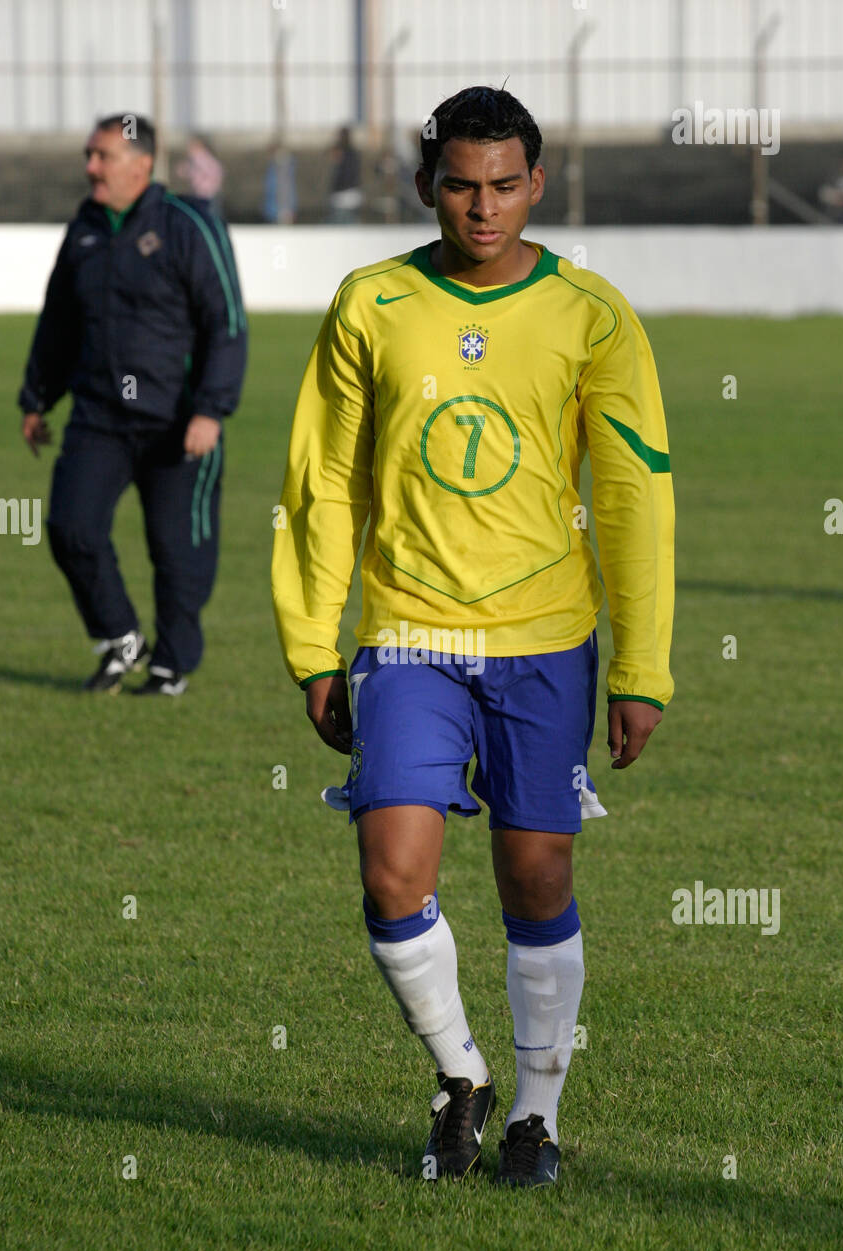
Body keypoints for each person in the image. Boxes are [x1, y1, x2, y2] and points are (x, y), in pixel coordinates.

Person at [272, 87, 674, 1186]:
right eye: (460, 184)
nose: (481, 207)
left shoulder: (590, 314)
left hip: (544, 640)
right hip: (406, 631)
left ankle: (534, 1116)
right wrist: (314, 643)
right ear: (426, 187)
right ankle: (460, 1077)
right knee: (391, 870)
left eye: (503, 184)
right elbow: (324, 483)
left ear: (535, 184)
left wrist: (638, 668)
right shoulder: (371, 304)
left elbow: (636, 495)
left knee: (534, 879)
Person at [20, 113, 247, 695]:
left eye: (102, 156)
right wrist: (37, 398)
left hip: (177, 421)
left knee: (177, 552)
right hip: (100, 418)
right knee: (71, 527)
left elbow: (225, 322)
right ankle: (120, 638)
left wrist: (211, 409)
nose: (91, 167)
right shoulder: (86, 229)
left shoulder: (188, 224)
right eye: (89, 156)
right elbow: (58, 322)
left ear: (142, 165)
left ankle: (170, 667)